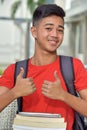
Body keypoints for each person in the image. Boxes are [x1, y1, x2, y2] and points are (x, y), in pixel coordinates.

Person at [0, 4, 87, 130]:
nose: (55, 35)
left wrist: (63, 95)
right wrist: (14, 92)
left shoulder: (73, 66)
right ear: (34, 32)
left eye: (60, 30)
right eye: (49, 28)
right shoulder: (16, 70)